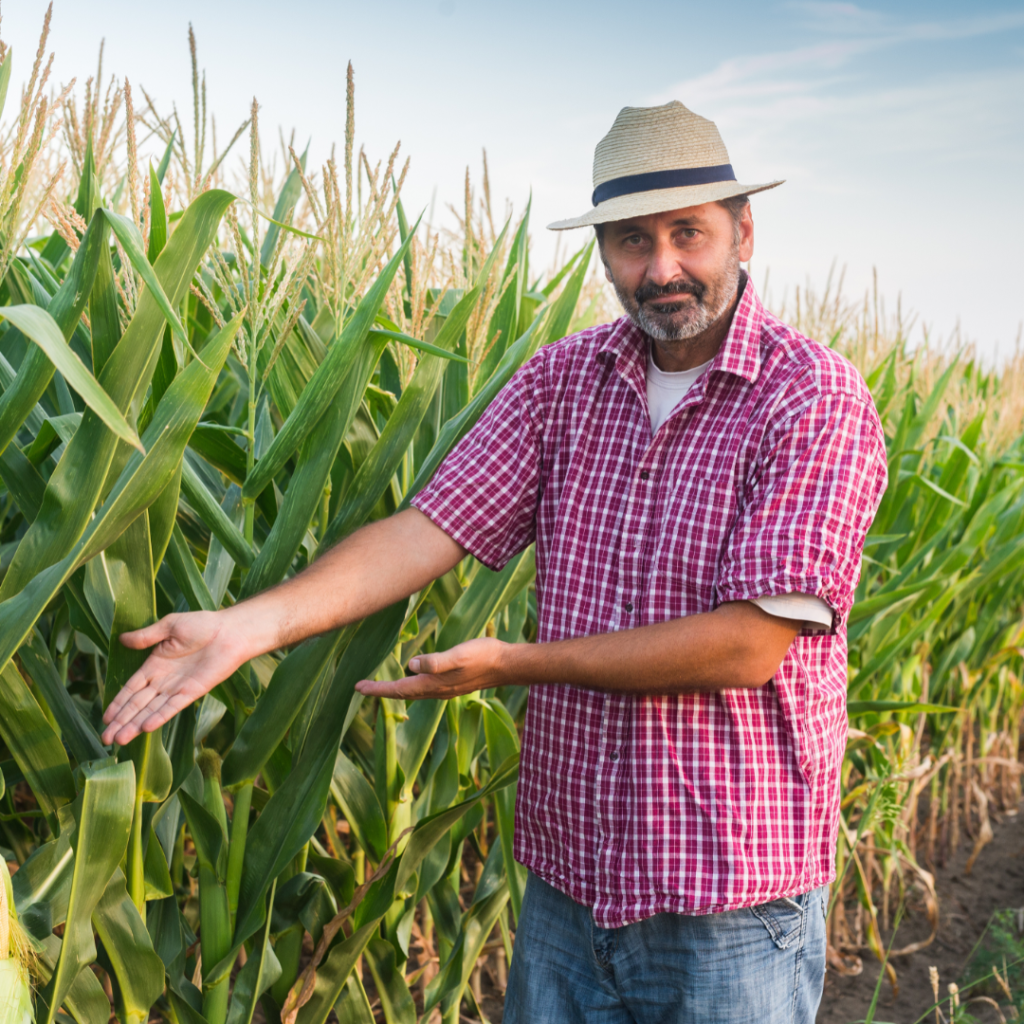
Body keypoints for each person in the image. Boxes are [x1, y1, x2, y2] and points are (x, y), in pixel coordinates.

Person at [102, 101, 888, 1023]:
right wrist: (244, 626)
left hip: (729, 900)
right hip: (568, 884)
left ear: (743, 229)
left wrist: (511, 667)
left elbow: (748, 647)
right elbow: (425, 530)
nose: (662, 268)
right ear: (602, 249)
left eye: (689, 235)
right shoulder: (563, 381)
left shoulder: (812, 399)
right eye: (633, 241)